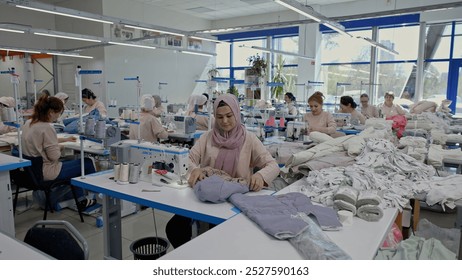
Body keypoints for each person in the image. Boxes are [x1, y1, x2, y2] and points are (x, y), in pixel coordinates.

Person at [166, 94, 280, 248]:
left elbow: (273, 165)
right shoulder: (207, 138)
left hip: (235, 200)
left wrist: (260, 175)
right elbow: (188, 159)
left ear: (237, 113)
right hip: (206, 197)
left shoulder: (249, 139)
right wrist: (194, 170)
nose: (224, 121)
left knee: (220, 239)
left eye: (229, 115)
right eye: (219, 117)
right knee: (174, 229)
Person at [21, 95, 97, 209]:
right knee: (86, 163)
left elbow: (41, 141)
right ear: (51, 112)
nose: (58, 116)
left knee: (73, 161)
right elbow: (54, 156)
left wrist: (64, 139)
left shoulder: (29, 123)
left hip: (32, 171)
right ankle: (91, 197)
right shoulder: (47, 127)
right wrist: (61, 146)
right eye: (59, 113)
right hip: (47, 171)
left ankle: (80, 197)